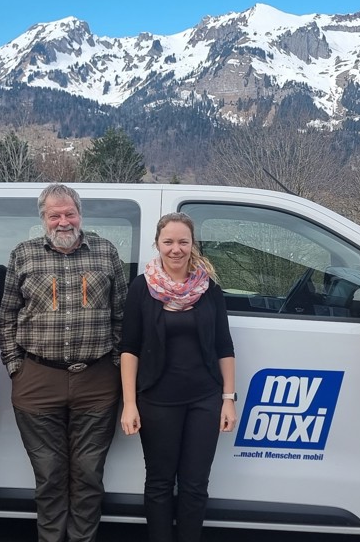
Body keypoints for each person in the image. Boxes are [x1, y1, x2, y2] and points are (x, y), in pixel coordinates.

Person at [0, 183, 127, 542]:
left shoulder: (105, 252)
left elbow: (122, 315)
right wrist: (15, 367)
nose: (63, 221)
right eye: (54, 215)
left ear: (80, 214)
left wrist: (114, 364)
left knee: (88, 473)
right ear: (43, 219)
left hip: (97, 382)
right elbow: (7, 317)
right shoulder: (23, 255)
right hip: (37, 380)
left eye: (69, 213)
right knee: (50, 474)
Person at [119, 212, 237, 542]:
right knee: (159, 483)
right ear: (157, 244)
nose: (176, 249)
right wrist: (129, 404)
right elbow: (129, 348)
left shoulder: (209, 288)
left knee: (195, 484)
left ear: (192, 244)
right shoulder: (142, 288)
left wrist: (228, 399)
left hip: (204, 400)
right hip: (157, 400)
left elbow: (224, 346)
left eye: (183, 241)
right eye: (168, 241)